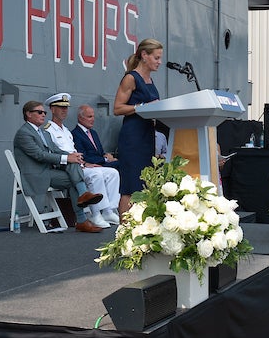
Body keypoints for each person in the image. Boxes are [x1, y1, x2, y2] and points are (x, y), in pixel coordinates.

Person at [11, 100, 104, 233]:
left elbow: (55, 150)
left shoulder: (44, 133)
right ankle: (82, 215)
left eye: (44, 112)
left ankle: (82, 213)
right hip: (36, 174)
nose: (43, 115)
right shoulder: (24, 133)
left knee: (73, 165)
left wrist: (72, 156)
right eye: (39, 112)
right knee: (72, 172)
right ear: (28, 114)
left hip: (48, 171)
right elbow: (39, 155)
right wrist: (67, 158)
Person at [45, 94, 119, 227]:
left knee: (112, 173)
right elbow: (51, 153)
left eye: (66, 108)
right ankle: (96, 214)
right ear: (52, 109)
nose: (64, 111)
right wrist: (75, 161)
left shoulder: (66, 131)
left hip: (78, 166)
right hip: (64, 167)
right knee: (96, 174)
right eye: (60, 107)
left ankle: (109, 210)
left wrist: (84, 163)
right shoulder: (48, 131)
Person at [113, 38, 163, 212]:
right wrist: (142, 107)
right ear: (144, 55)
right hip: (133, 137)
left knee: (144, 184)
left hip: (147, 136)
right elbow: (117, 108)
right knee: (130, 186)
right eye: (156, 58)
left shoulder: (149, 79)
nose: (159, 62)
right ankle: (124, 232)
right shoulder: (131, 78)